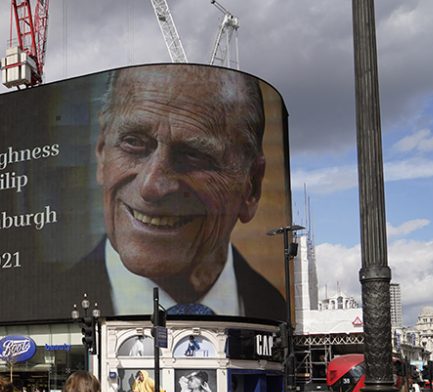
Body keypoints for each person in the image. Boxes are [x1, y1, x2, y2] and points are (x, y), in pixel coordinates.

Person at [67, 65, 285, 319]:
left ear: (252, 186)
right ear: (103, 151)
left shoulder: (275, 309)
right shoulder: (51, 299)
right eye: (133, 142)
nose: (151, 186)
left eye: (193, 155)